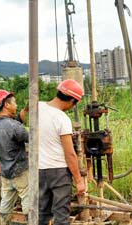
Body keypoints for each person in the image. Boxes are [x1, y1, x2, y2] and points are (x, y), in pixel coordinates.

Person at [38, 79, 86, 225]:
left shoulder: (38, 107)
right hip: (58, 173)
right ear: (72, 101)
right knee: (61, 215)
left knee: (42, 212)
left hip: (39, 170)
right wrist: (79, 181)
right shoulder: (62, 118)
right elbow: (70, 153)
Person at [0, 89, 29, 225]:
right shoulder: (14, 126)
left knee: (6, 203)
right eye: (14, 103)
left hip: (6, 172)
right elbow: (31, 137)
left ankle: (4, 222)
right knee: (29, 203)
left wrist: (26, 110)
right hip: (20, 172)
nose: (16, 105)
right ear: (6, 105)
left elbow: (16, 122)